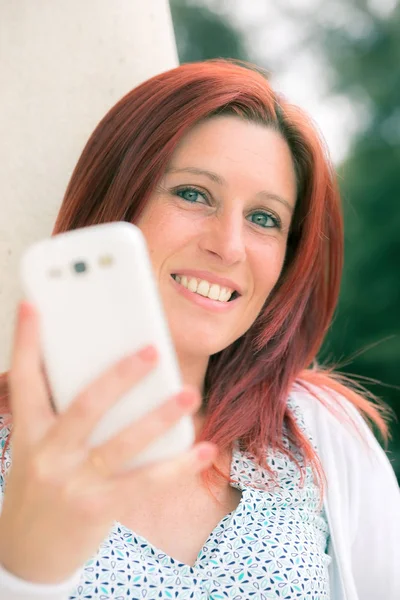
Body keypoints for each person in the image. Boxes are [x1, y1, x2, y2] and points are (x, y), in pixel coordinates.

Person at [0, 59, 399, 600]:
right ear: (116, 202)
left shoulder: (318, 434)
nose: (229, 246)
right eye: (193, 193)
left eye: (264, 218)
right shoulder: (14, 450)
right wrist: (23, 575)